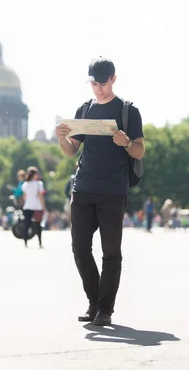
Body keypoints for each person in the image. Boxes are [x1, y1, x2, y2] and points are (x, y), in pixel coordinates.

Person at [54, 56, 145, 326]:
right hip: (83, 188)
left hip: (113, 191)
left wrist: (126, 142)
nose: (98, 89)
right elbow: (72, 151)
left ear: (113, 80)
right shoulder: (84, 109)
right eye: (94, 84)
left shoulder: (128, 111)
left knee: (111, 253)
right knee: (80, 249)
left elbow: (139, 150)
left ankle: (105, 309)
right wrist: (62, 138)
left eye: (103, 84)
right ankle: (94, 301)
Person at [21, 167, 46, 248]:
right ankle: (40, 243)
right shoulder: (39, 184)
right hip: (37, 207)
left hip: (27, 206)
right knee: (38, 226)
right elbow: (41, 197)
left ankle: (25, 242)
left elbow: (24, 197)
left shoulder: (25, 184)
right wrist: (43, 207)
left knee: (27, 225)